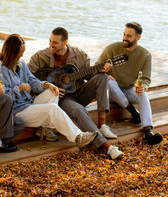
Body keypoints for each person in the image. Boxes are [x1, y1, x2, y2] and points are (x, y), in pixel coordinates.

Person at [28, 27, 124, 160]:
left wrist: (101, 71)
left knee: (102, 77)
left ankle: (102, 125)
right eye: (50, 41)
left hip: (79, 93)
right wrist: (45, 87)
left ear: (65, 43)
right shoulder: (40, 56)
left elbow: (90, 76)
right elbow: (27, 76)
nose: (51, 44)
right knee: (79, 110)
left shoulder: (79, 55)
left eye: (55, 42)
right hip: (61, 99)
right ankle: (107, 147)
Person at [0, 34, 98, 148]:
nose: (22, 54)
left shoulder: (21, 63)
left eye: (23, 51)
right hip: (17, 110)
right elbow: (3, 99)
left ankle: (45, 129)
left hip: (28, 103)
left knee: (52, 92)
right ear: (11, 52)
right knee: (52, 109)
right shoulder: (2, 71)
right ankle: (78, 137)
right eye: (20, 52)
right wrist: (19, 88)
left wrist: (47, 85)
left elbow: (33, 81)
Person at [97, 22, 163, 145]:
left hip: (127, 89)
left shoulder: (145, 55)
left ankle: (148, 130)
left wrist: (143, 87)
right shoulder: (112, 49)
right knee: (109, 82)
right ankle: (133, 111)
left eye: (129, 36)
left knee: (143, 94)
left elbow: (146, 78)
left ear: (138, 38)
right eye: (124, 34)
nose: (124, 38)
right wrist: (104, 73)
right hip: (110, 91)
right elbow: (96, 68)